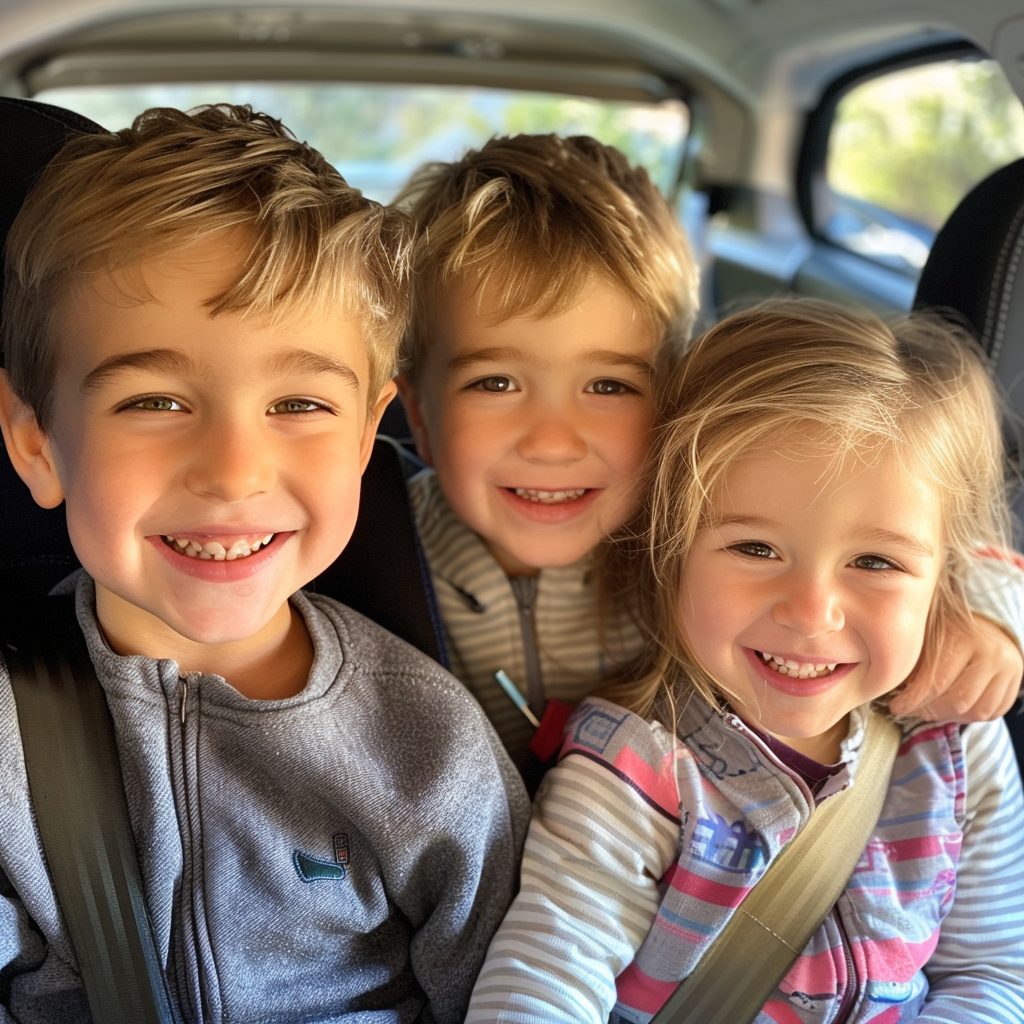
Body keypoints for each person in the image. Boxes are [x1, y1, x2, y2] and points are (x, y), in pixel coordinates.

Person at [0, 104, 528, 1024]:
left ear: (370, 434)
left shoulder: (427, 745)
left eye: (299, 403)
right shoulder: (7, 739)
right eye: (156, 401)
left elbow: (507, 996)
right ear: (38, 442)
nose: (234, 470)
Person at [467, 299, 1024, 1023]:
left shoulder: (955, 749)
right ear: (672, 551)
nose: (811, 610)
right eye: (755, 549)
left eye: (876, 561)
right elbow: (543, 981)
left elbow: (993, 974)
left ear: (943, 577)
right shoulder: (636, 770)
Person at [395, 133, 1024, 774]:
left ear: (671, 399)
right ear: (418, 411)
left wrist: (989, 621)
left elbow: (934, 549)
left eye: (608, 386)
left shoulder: (695, 526)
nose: (552, 440)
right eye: (494, 384)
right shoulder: (375, 551)